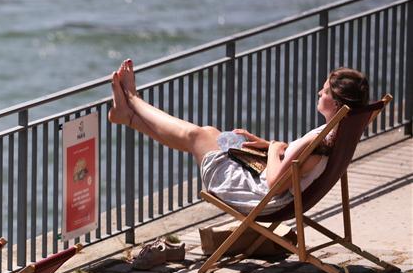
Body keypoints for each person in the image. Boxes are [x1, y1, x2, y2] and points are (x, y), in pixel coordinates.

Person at [106, 59, 370, 214]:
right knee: (211, 134)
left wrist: (273, 148)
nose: (318, 93)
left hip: (258, 196)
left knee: (196, 134)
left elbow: (274, 184)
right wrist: (268, 145)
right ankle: (127, 116)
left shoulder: (318, 141)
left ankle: (132, 100)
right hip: (268, 188)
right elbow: (301, 162)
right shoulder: (334, 135)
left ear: (336, 104)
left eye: (324, 92)